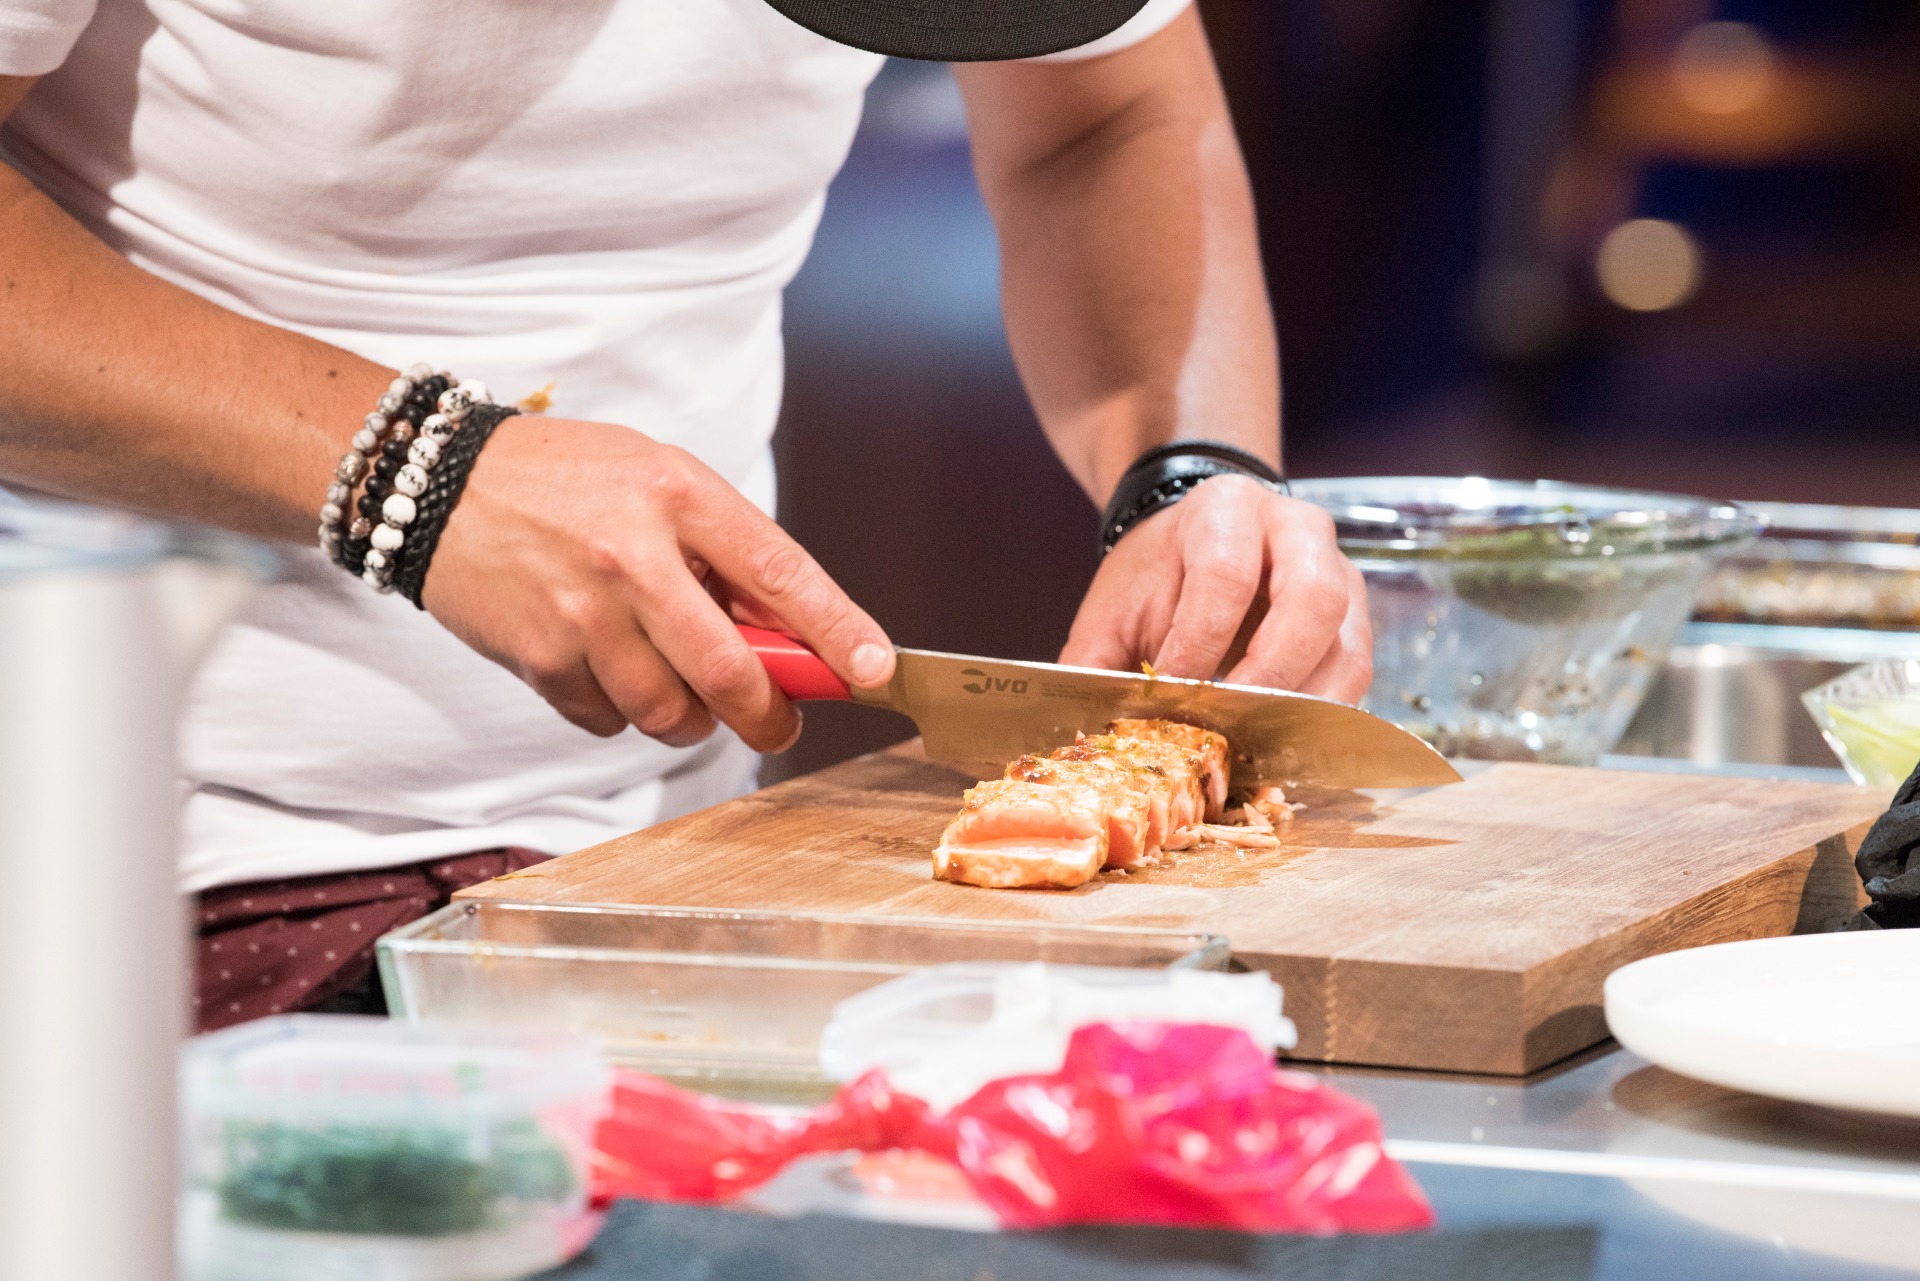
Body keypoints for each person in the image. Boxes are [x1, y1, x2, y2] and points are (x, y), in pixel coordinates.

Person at [0, 0, 1371, 1028]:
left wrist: (1191, 471)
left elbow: (1104, 117)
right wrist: (413, 473)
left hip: (659, 865)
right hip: (133, 872)